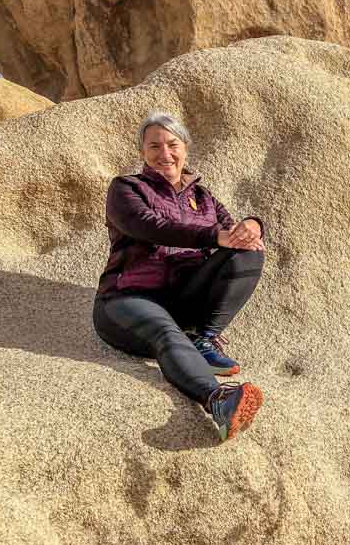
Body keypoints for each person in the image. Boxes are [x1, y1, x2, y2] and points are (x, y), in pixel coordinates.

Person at [93, 111, 266, 441]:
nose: (164, 154)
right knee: (166, 332)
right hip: (129, 297)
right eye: (154, 146)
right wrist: (213, 236)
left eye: (172, 144)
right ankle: (218, 399)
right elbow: (148, 226)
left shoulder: (202, 197)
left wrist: (254, 224)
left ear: (185, 148)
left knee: (248, 249)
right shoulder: (126, 188)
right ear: (142, 151)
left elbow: (233, 232)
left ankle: (204, 336)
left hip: (184, 298)